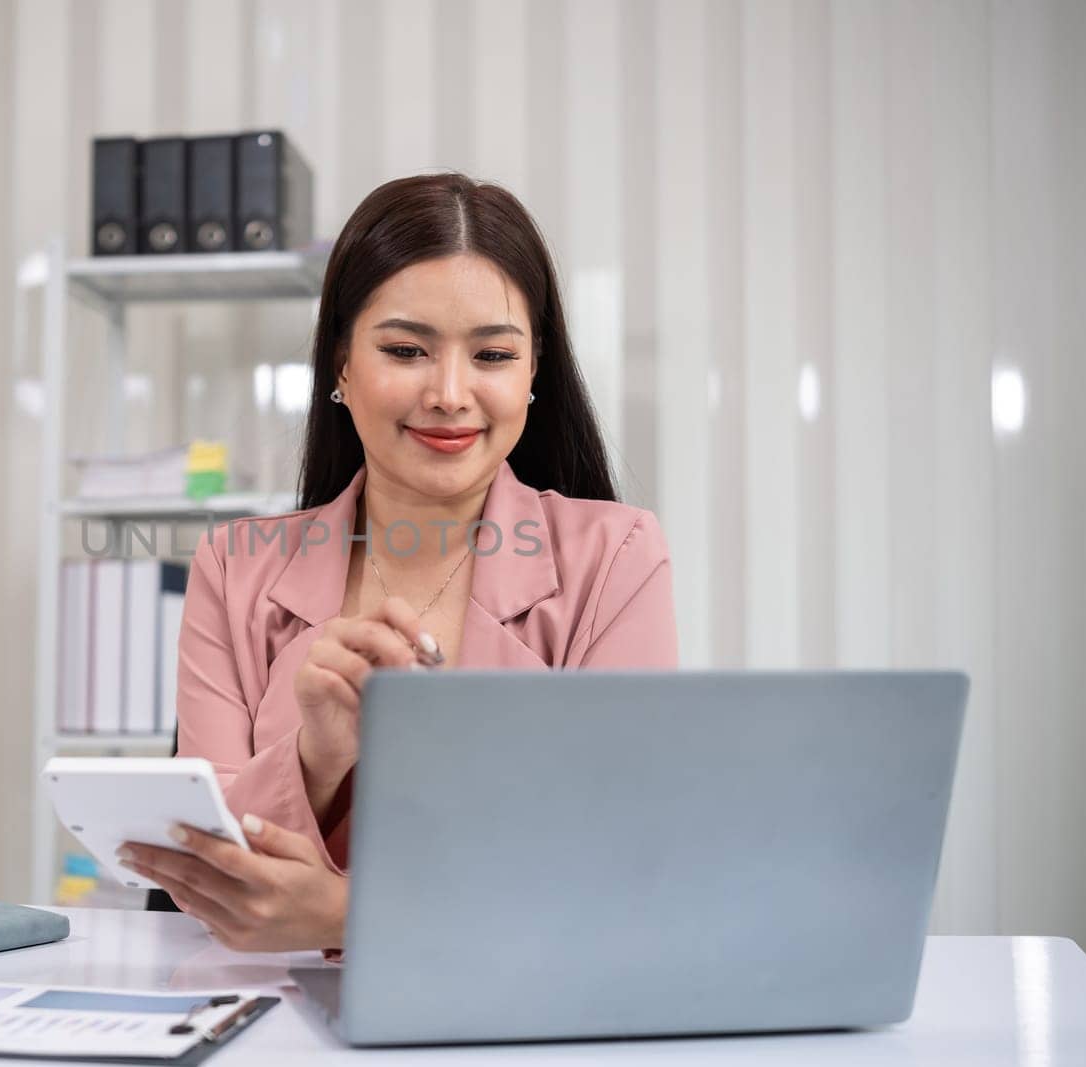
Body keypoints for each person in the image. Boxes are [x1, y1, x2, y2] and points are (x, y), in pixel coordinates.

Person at [115, 172, 678, 954]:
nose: (450, 393)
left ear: (533, 371)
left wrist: (348, 916)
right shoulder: (234, 567)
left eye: (491, 353)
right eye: (406, 349)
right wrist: (316, 754)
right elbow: (203, 868)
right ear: (341, 363)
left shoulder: (615, 558)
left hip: (517, 1022)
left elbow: (624, 867)